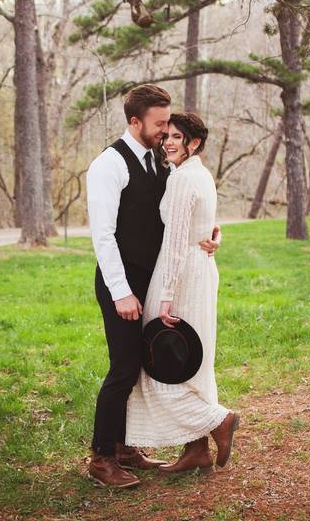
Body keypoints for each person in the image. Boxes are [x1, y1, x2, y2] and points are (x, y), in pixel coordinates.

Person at [86, 85, 220, 488]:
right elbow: (103, 236)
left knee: (147, 368)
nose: (166, 131)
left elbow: (186, 213)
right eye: (160, 124)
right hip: (122, 284)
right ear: (134, 121)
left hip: (155, 279)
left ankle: (128, 448)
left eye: (169, 124)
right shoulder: (109, 164)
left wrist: (213, 234)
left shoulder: (161, 162)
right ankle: (102, 458)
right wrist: (121, 291)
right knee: (124, 369)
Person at [124, 112, 239, 474]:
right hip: (201, 271)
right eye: (167, 136)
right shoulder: (199, 175)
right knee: (192, 365)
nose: (169, 142)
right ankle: (196, 451)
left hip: (181, 277)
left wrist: (166, 297)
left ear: (194, 143)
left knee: (161, 366)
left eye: (178, 137)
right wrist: (215, 235)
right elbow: (204, 224)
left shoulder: (182, 181)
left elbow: (174, 244)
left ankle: (219, 420)